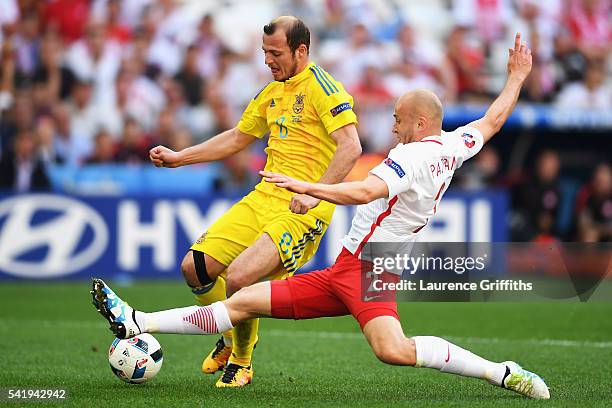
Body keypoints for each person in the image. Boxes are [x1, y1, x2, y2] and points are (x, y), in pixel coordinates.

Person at [92, 34, 549, 399]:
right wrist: (516, 78)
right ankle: (138, 320)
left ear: (419, 123)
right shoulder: (453, 144)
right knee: (242, 300)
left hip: (369, 273)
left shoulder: (409, 158)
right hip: (346, 270)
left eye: (397, 119)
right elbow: (491, 121)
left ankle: (501, 372)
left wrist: (311, 188)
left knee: (392, 350)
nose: (392, 127)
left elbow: (366, 188)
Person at [147, 16, 361, 387]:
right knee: (194, 268)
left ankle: (242, 363)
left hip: (302, 208)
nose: (268, 60)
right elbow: (236, 137)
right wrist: (180, 158)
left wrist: (313, 193)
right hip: (263, 196)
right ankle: (230, 335)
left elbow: (351, 146)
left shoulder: (323, 88)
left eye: (276, 53)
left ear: (301, 50)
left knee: (242, 277)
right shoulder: (271, 92)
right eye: (264, 52)